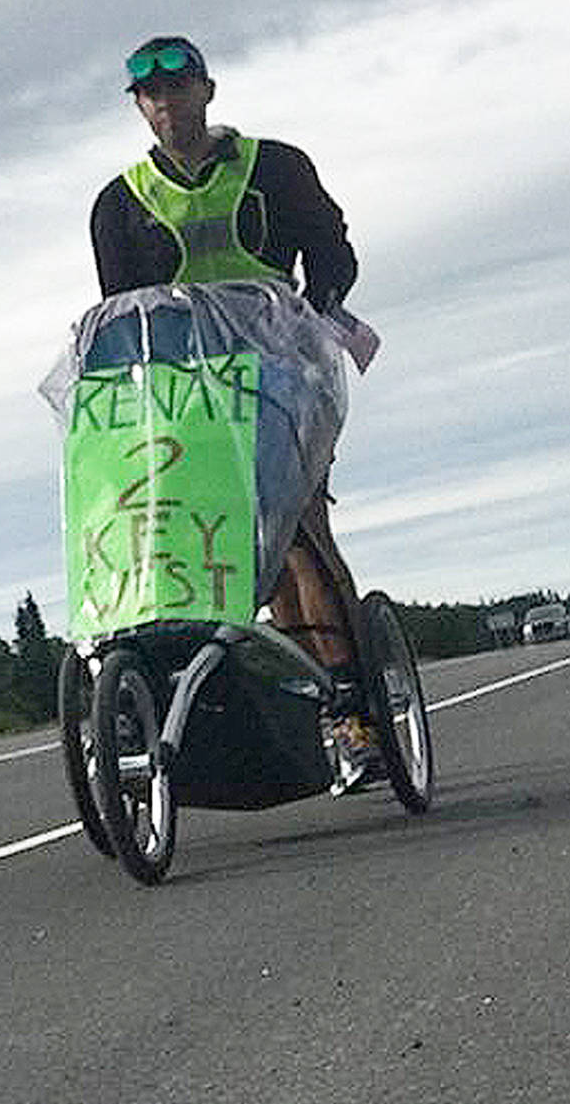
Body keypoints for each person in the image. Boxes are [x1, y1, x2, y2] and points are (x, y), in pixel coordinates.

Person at [89, 35, 362, 673]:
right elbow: (123, 313)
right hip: (188, 399)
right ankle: (296, 689)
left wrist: (308, 319)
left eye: (179, 89)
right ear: (139, 108)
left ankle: (354, 699)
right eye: (152, 95)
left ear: (207, 91)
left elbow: (333, 254)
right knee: (235, 557)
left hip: (281, 382)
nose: (168, 105)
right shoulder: (119, 205)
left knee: (300, 535)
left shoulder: (277, 169)